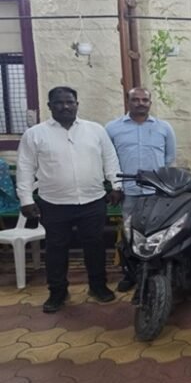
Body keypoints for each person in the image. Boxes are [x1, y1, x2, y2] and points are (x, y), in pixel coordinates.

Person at [16, 86, 122, 313]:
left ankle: (98, 286)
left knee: (95, 246)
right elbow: (25, 168)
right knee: (56, 249)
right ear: (49, 106)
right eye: (59, 102)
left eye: (70, 102)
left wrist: (116, 185)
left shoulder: (95, 130)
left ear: (77, 104)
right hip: (54, 203)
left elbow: (110, 159)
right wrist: (26, 199)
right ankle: (57, 292)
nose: (65, 106)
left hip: (93, 201)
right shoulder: (35, 134)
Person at [106, 87, 176, 292]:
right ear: (128, 102)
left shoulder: (164, 128)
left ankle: (156, 273)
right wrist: (115, 186)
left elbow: (169, 158)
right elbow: (108, 159)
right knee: (130, 235)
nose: (140, 103)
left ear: (150, 103)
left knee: (156, 233)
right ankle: (131, 274)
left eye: (145, 100)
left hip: (156, 193)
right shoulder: (112, 128)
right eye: (135, 100)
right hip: (128, 193)